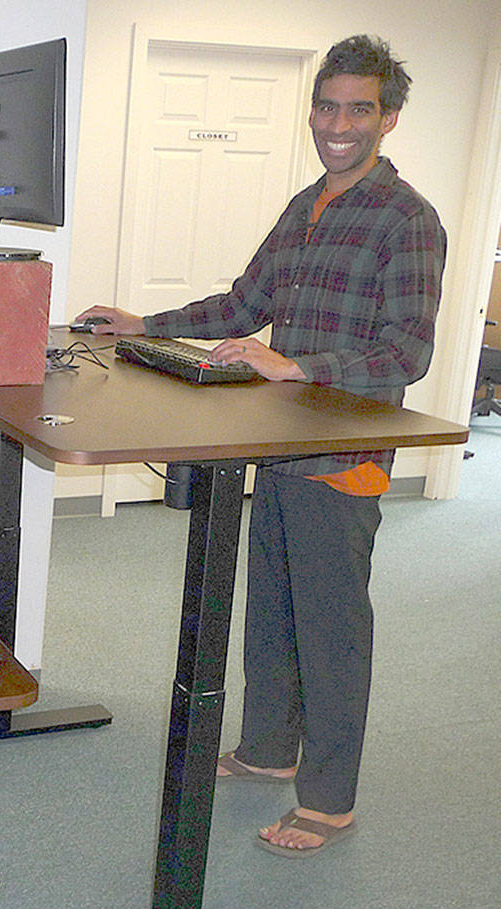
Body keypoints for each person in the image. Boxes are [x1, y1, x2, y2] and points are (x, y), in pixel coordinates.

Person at [78, 35, 446, 856]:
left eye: (358, 109)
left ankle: (329, 797)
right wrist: (145, 324)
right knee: (272, 611)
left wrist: (296, 366)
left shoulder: (407, 220)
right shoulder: (305, 206)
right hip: (277, 446)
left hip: (342, 457)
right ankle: (270, 750)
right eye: (327, 106)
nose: (338, 123)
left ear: (388, 118)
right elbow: (243, 301)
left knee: (331, 628)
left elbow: (404, 355)